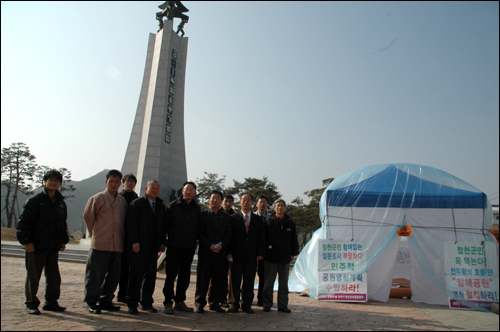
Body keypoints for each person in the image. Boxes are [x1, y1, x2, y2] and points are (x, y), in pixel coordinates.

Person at [16, 169, 70, 315]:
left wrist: (63, 240)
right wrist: (27, 242)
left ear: (60, 183)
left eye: (57, 180)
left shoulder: (60, 203)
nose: (53, 183)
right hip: (36, 246)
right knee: (33, 276)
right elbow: (24, 223)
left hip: (53, 246)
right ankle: (31, 302)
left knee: (53, 277)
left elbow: (62, 224)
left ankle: (51, 302)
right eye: (51, 180)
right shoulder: (34, 201)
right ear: (44, 182)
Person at [83, 169, 127, 314]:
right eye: (111, 181)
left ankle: (106, 299)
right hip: (100, 243)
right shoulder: (97, 198)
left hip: (117, 244)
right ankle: (91, 301)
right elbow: (89, 218)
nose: (114, 184)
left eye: (116, 182)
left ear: (120, 183)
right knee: (95, 275)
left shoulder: (122, 201)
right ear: (106, 182)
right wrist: (96, 234)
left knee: (113, 276)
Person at [125, 180, 166, 315]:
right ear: (146, 188)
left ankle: (147, 302)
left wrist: (162, 242)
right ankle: (132, 303)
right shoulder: (137, 204)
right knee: (136, 275)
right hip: (139, 247)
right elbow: (131, 225)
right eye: (152, 188)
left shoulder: (160, 206)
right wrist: (134, 242)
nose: (155, 190)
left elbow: (161, 227)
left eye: (157, 188)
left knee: (150, 276)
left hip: (153, 247)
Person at [162, 181, 201, 314]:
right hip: (174, 246)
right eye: (186, 189)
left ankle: (179, 301)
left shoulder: (197, 208)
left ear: (195, 192)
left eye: (191, 189)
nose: (189, 191)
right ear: (182, 191)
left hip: (189, 247)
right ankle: (168, 302)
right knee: (171, 275)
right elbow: (165, 226)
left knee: (184, 276)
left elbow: (198, 228)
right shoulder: (173, 206)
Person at [227, 193, 265, 314]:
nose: (246, 202)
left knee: (249, 281)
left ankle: (247, 304)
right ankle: (233, 303)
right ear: (240, 203)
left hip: (251, 255)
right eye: (243, 200)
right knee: (234, 280)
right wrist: (229, 253)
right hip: (236, 255)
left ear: (252, 203)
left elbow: (261, 238)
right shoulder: (233, 218)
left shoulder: (258, 220)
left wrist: (260, 253)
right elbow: (229, 237)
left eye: (248, 200)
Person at [194, 190, 232, 313]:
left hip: (220, 253)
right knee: (202, 279)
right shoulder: (202, 215)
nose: (215, 200)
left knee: (218, 279)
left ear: (221, 201)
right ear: (209, 200)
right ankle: (200, 303)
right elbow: (200, 233)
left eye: (218, 198)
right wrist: (210, 245)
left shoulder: (226, 217)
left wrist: (221, 246)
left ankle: (214, 303)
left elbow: (228, 234)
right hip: (206, 252)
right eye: (213, 197)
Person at [262, 198, 299, 313]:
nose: (280, 207)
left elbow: (294, 239)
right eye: (277, 206)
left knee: (283, 283)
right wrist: (264, 252)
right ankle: (267, 304)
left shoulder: (290, 223)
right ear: (274, 208)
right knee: (268, 282)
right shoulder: (268, 222)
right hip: (271, 257)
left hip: (285, 257)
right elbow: (263, 239)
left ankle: (282, 305)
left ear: (285, 208)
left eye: (282, 205)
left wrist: (293, 253)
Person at [117, 173, 139, 303]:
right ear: (123, 183)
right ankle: (118, 294)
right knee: (120, 269)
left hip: (132, 239)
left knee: (130, 269)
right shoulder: (118, 198)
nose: (130, 184)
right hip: (121, 237)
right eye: (127, 181)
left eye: (132, 182)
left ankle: (127, 294)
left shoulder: (137, 199)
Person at [219, 194, 235, 308]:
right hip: (219, 250)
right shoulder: (216, 214)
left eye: (230, 201)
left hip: (232, 251)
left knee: (233, 276)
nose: (227, 203)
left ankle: (232, 298)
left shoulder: (235, 216)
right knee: (220, 275)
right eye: (226, 201)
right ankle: (220, 297)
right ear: (222, 202)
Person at [254, 194, 270, 307]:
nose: (262, 204)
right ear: (256, 204)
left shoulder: (271, 218)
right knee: (248, 276)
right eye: (260, 202)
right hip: (251, 251)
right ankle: (246, 298)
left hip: (265, 253)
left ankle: (262, 299)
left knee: (263, 277)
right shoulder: (251, 216)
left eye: (264, 202)